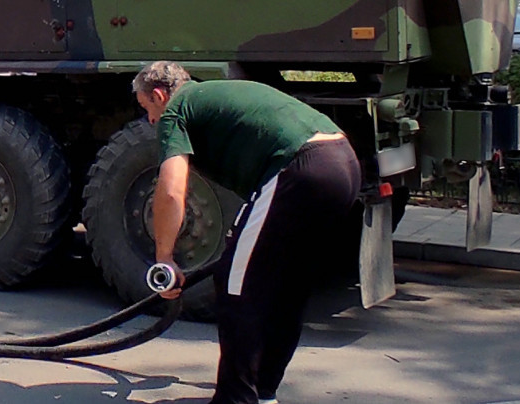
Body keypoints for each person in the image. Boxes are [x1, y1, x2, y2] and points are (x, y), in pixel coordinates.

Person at [133, 61, 361, 404]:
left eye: (146, 107)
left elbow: (170, 190)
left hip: (301, 167)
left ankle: (237, 398)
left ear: (160, 95)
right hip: (344, 163)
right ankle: (262, 392)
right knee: (285, 287)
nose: (150, 119)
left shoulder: (176, 110)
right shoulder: (213, 94)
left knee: (234, 282)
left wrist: (164, 258)